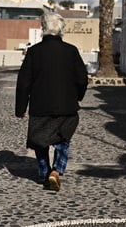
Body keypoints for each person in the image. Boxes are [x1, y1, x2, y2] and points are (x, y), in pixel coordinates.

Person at [15, 13, 88, 191]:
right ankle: (56, 170)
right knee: (63, 139)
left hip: (40, 106)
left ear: (43, 28)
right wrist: (77, 96)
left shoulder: (34, 52)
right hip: (66, 106)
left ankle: (43, 172)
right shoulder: (71, 51)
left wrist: (21, 108)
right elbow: (82, 79)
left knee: (40, 141)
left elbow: (24, 81)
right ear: (61, 29)